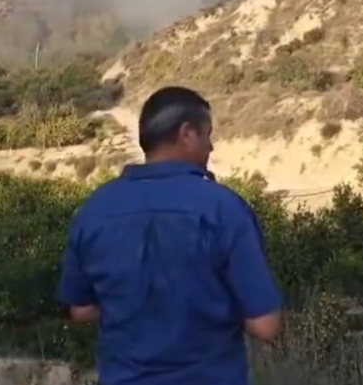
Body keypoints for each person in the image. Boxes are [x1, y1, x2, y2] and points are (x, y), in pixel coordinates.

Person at [56, 85, 282, 385]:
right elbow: (265, 325)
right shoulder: (224, 208)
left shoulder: (94, 210)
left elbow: (80, 310)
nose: (211, 147)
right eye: (207, 134)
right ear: (187, 134)